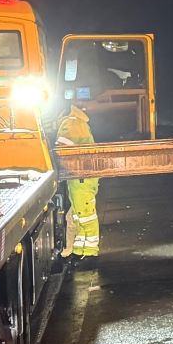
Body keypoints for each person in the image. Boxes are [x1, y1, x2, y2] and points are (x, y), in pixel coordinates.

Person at [57, 103, 100, 262]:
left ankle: (89, 252)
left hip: (80, 177)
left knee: (85, 215)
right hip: (81, 178)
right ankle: (80, 250)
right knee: (78, 215)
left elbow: (62, 147)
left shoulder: (70, 124)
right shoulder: (77, 123)